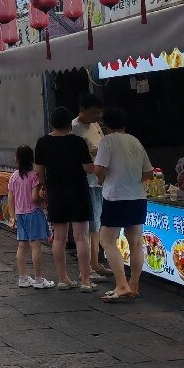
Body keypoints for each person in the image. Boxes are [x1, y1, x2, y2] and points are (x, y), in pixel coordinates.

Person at [94, 107, 154, 302]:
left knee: (107, 240)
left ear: (105, 125)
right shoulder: (135, 141)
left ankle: (121, 285)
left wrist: (103, 178)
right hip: (138, 197)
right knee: (135, 242)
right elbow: (149, 173)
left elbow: (99, 169)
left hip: (115, 197)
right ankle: (134, 284)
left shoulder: (107, 141)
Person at [34, 107, 96, 292]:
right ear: (70, 123)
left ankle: (63, 278)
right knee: (81, 238)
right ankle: (85, 280)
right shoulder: (78, 142)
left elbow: (38, 171)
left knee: (59, 238)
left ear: (52, 123)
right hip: (78, 192)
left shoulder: (42, 142)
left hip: (56, 193)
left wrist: (46, 186)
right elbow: (89, 169)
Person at [72, 93, 110, 281]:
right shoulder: (73, 128)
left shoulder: (95, 126)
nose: (97, 117)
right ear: (83, 110)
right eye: (94, 113)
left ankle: (95, 262)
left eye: (99, 114)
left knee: (97, 223)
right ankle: (88, 267)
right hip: (85, 181)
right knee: (88, 225)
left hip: (99, 180)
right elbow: (77, 155)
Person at [7, 145, 54, 289]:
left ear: (17, 159)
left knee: (22, 246)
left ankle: (23, 277)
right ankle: (38, 279)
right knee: (36, 246)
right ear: (32, 159)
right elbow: (34, 198)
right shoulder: (34, 176)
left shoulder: (14, 176)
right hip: (33, 213)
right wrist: (44, 200)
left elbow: (10, 198)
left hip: (20, 215)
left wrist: (12, 216)